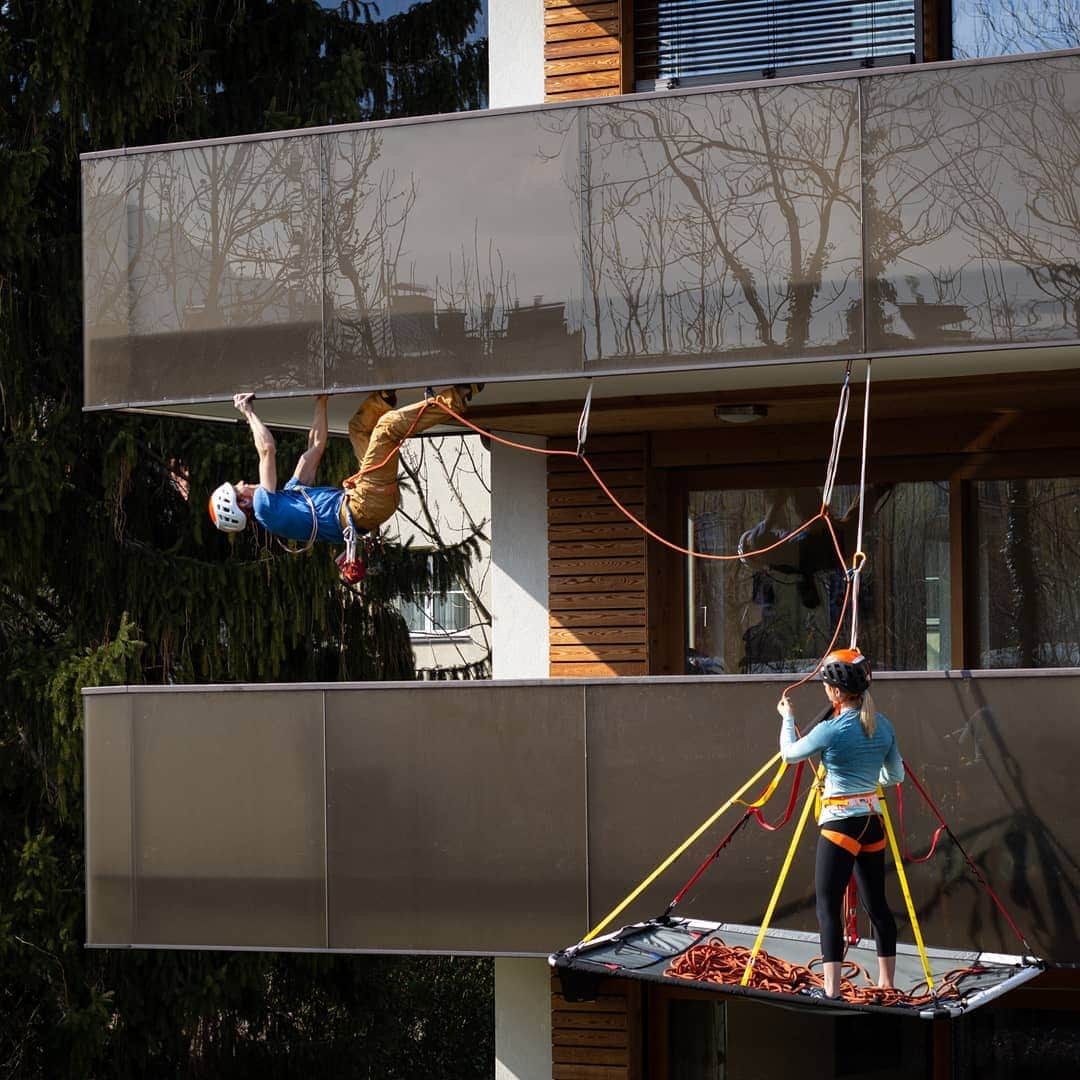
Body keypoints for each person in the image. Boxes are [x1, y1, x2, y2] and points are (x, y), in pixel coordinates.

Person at [776, 648, 905, 999]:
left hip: (840, 825)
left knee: (827, 906)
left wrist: (787, 717)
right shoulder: (883, 725)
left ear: (834, 692)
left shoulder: (831, 731)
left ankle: (831, 990)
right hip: (871, 822)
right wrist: (866, 776)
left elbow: (789, 755)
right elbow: (895, 775)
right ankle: (887, 984)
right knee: (877, 904)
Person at [208, 385, 479, 543]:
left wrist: (321, 400)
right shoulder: (264, 508)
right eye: (238, 488)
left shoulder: (287, 500)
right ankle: (454, 399)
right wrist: (248, 412)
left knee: (358, 429)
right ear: (242, 504)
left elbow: (315, 446)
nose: (243, 483)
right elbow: (267, 449)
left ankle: (383, 398)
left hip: (366, 504)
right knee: (386, 429)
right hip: (363, 504)